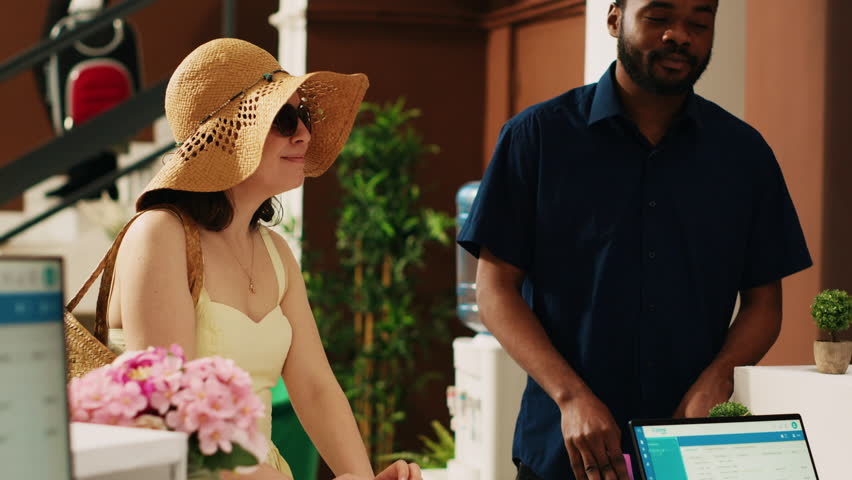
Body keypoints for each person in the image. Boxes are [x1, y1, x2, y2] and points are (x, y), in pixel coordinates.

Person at [457, 1, 812, 479]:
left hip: (690, 451)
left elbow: (764, 304)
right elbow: (494, 289)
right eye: (658, 17)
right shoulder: (536, 138)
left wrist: (720, 376)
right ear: (614, 20)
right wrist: (570, 396)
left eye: (699, 23)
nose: (679, 35)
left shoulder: (745, 155)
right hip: (565, 452)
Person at [105, 38, 422, 480]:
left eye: (302, 115)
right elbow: (176, 418)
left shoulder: (275, 252)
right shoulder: (160, 235)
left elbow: (315, 387)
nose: (303, 133)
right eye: (283, 120)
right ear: (227, 137)